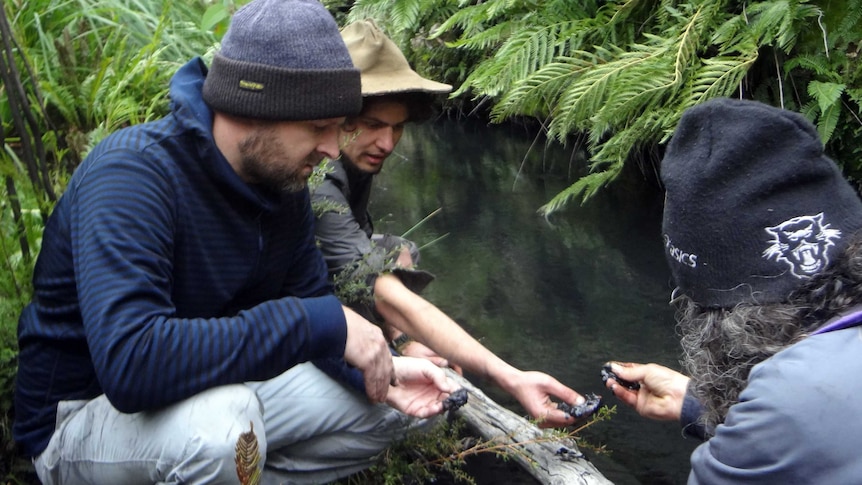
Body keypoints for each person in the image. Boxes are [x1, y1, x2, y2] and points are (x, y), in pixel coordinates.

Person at [13, 1, 459, 484]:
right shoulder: (132, 175)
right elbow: (131, 365)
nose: (333, 149)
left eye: (340, 128)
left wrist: (385, 372)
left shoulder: (282, 185)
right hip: (80, 421)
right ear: (255, 108)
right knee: (225, 427)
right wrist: (316, 322)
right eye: (318, 128)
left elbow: (312, 308)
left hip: (213, 390)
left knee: (403, 406)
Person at [311, 20, 585, 428]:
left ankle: (404, 344)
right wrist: (507, 375)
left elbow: (365, 257)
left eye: (397, 126)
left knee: (400, 251)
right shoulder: (317, 180)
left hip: (323, 281)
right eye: (373, 125)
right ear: (337, 116)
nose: (388, 144)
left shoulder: (354, 157)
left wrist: (402, 337)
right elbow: (379, 289)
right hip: (287, 311)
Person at [604, 97, 862, 483]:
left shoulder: (784, 412)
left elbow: (798, 418)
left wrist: (748, 423)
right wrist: (698, 406)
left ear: (718, 316)